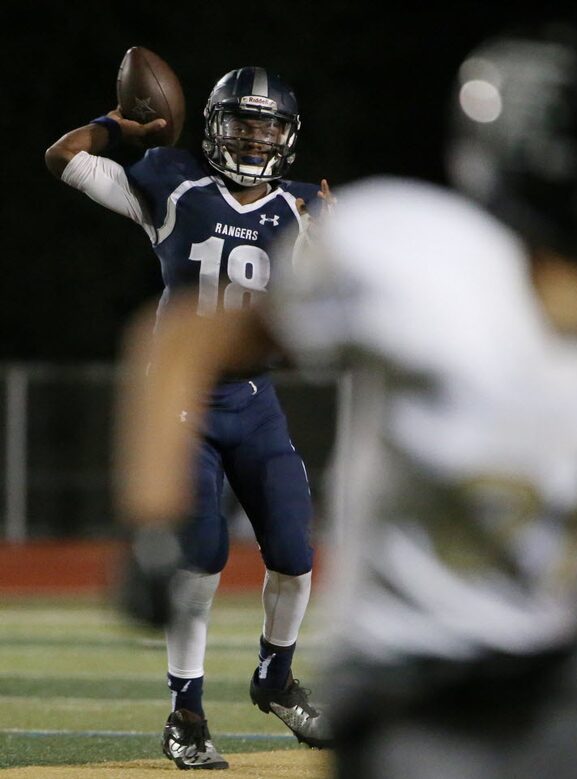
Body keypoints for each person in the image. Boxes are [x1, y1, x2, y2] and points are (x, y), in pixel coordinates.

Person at [113, 23, 577, 779]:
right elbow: (188, 337)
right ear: (555, 156)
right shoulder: (418, 260)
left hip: (561, 679)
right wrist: (152, 516)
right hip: (405, 683)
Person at [45, 65, 333, 769]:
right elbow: (64, 157)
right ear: (213, 127)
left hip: (255, 400)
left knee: (296, 554)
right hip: (182, 405)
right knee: (199, 562)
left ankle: (276, 674)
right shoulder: (173, 187)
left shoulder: (304, 208)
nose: (253, 137)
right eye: (241, 122)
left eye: (266, 126)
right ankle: (187, 710)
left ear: (287, 137)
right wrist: (120, 124)